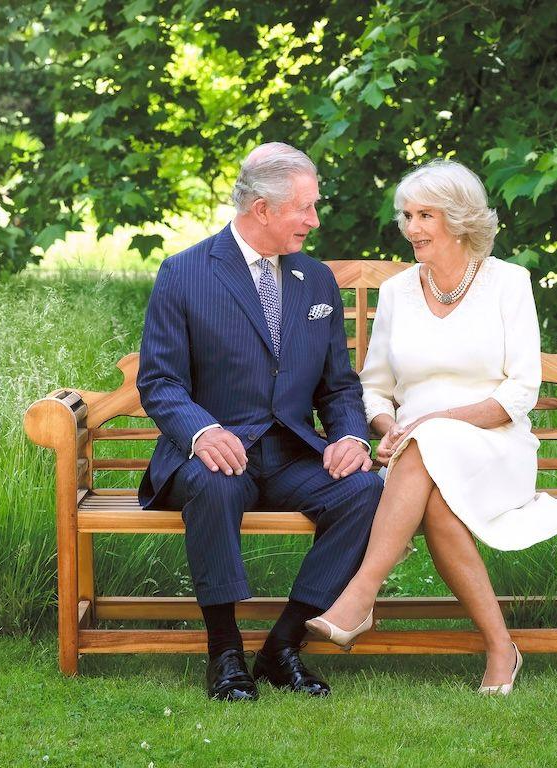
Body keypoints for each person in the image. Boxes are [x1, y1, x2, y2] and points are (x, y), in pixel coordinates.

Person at [305, 159, 557, 695]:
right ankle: (500, 647)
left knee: (429, 438)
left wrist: (430, 422)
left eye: (425, 215)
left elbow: (519, 393)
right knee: (436, 495)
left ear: (459, 220)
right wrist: (389, 424)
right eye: (407, 215)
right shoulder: (396, 293)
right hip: (420, 457)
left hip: (495, 447)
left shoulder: (508, 283)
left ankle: (361, 592)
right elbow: (374, 386)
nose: (411, 227)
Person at [137, 142, 382, 701]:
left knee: (364, 490)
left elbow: (339, 385)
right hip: (214, 454)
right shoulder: (184, 273)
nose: (315, 221)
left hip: (291, 455)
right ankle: (224, 652)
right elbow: (159, 382)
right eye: (306, 208)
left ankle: (282, 646)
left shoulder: (315, 280)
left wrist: (349, 435)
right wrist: (201, 431)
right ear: (263, 209)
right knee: (215, 482)